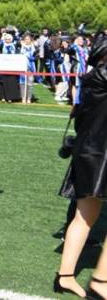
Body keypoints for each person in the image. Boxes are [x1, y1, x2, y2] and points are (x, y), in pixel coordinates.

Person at [56, 35, 107, 297]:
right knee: (84, 217)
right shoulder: (101, 77)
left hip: (91, 153)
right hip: (100, 155)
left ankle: (65, 276)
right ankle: (101, 280)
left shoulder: (91, 80)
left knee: (84, 218)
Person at [19, 33, 36, 104]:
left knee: (30, 83)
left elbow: (33, 56)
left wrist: (27, 53)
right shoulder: (22, 47)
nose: (27, 40)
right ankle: (23, 97)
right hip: (23, 66)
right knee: (22, 83)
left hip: (30, 67)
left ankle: (29, 98)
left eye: (28, 39)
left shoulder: (33, 47)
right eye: (25, 39)